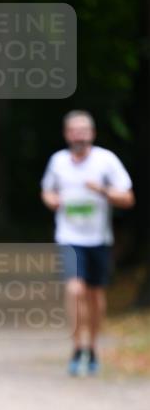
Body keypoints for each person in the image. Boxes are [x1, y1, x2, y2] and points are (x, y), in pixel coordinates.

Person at [41, 110, 134, 376]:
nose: (79, 135)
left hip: (99, 239)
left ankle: (92, 347)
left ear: (91, 133)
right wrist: (51, 200)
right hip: (69, 238)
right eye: (74, 130)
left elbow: (128, 198)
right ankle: (76, 346)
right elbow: (47, 190)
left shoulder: (106, 161)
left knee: (95, 295)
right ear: (66, 134)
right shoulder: (58, 162)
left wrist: (102, 190)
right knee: (74, 290)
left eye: (83, 130)